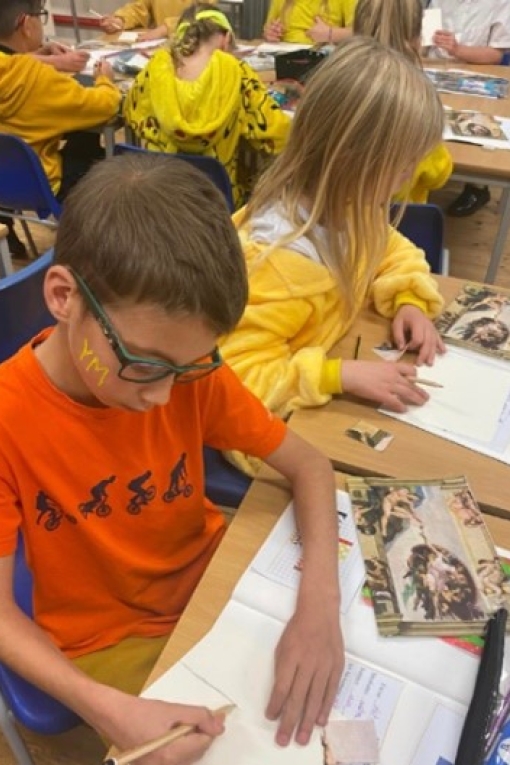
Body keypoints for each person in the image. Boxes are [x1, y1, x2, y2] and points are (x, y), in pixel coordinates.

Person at [0, 153, 344, 761]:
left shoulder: (184, 372)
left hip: (211, 583)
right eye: (144, 365)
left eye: (187, 367)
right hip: (107, 639)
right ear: (62, 296)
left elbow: (311, 466)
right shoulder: (8, 418)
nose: (162, 395)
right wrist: (107, 708)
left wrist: (319, 606)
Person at [219, 37, 446, 473]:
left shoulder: (347, 208)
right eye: (403, 165)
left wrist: (409, 300)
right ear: (354, 161)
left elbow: (389, 249)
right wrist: (336, 375)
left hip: (320, 383)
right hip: (271, 436)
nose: (410, 177)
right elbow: (235, 383)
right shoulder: (278, 263)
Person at [124, 4, 291, 209]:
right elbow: (277, 136)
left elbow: (131, 113)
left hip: (159, 200)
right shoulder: (236, 72)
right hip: (217, 205)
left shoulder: (155, 68)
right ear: (226, 38)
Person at [0, 0, 121, 257]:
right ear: (25, 24)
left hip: (5, 184)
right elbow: (104, 107)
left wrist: (44, 58)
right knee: (90, 142)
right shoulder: (36, 79)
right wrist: (105, 81)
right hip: (42, 186)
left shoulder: (17, 69)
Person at [353, 0, 452, 203]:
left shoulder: (336, 85)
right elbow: (437, 175)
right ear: (417, 38)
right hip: (399, 220)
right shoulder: (416, 106)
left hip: (334, 218)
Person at [428, 0, 510, 216]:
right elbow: (426, 36)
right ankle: (425, 170)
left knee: (477, 128)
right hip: (437, 69)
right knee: (426, 118)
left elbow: (496, 54)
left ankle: (477, 188)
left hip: (479, 74)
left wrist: (458, 50)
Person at [100, 0, 217, 41]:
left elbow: (204, 14)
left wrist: (166, 28)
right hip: (160, 47)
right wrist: (121, 20)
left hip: (194, 45)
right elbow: (139, 7)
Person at [263, 0, 357, 44]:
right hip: (282, 60)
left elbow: (362, 34)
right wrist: (271, 34)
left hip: (325, 62)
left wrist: (330, 34)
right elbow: (268, 30)